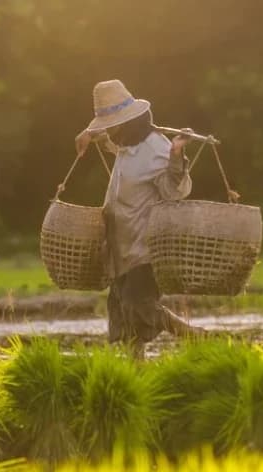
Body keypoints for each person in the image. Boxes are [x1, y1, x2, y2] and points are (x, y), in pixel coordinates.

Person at [74, 79, 204, 359]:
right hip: (119, 247)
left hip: (143, 248)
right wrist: (89, 133)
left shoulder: (156, 147)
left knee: (140, 306)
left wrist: (176, 154)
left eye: (112, 124)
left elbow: (174, 191)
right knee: (125, 316)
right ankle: (137, 371)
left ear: (127, 123)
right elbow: (116, 147)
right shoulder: (127, 144)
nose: (108, 130)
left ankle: (196, 337)